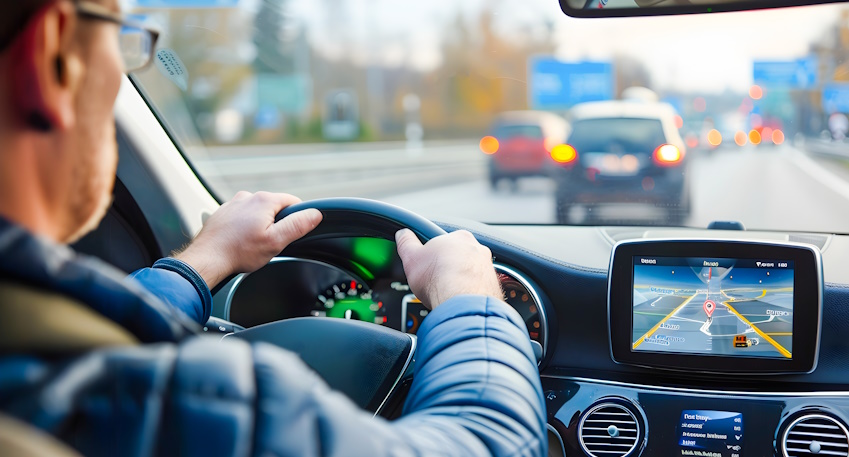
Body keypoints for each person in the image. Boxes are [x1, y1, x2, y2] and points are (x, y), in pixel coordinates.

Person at [0, 0, 546, 455]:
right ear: (55, 59)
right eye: (122, 42)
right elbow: (491, 442)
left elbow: (75, 337)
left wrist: (202, 261)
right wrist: (470, 300)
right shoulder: (193, 411)